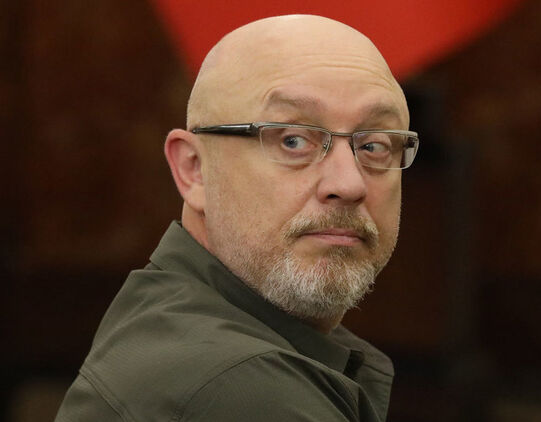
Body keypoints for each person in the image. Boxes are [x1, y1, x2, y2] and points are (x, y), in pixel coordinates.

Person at [54, 14, 419, 421]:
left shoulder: (171, 312)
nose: (349, 184)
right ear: (194, 169)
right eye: (292, 140)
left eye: (374, 146)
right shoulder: (242, 388)